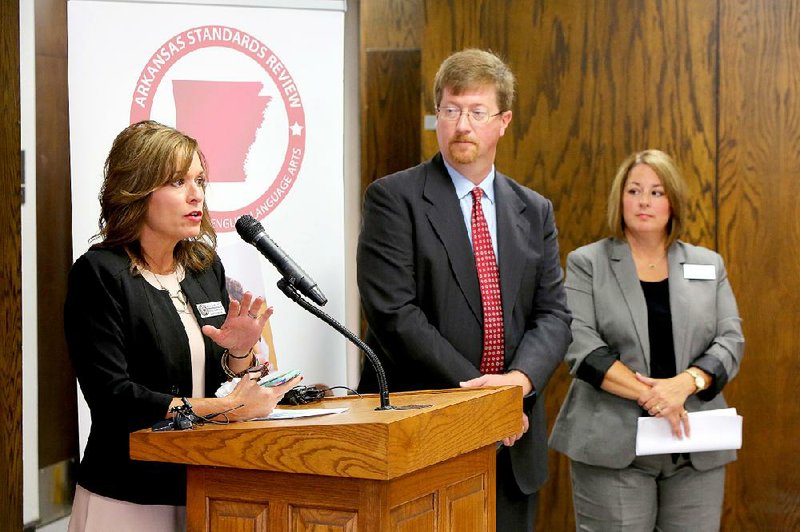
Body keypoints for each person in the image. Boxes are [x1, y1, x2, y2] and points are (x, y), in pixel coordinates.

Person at [357, 49, 572, 531]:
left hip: (514, 440)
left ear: (504, 121)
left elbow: (553, 316)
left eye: (477, 112)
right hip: (424, 435)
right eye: (450, 111)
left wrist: (517, 386)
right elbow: (394, 314)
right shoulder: (395, 199)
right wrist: (486, 404)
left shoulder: (533, 210)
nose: (461, 125)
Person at [65, 120, 301, 532]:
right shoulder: (99, 274)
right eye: (177, 181)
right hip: (130, 492)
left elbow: (220, 377)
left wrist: (240, 352)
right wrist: (227, 411)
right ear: (137, 189)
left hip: (207, 483)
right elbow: (114, 397)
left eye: (200, 181)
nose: (197, 195)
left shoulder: (203, 267)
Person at [549, 149, 745, 531]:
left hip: (694, 446)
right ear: (619, 198)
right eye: (634, 190)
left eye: (657, 192)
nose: (643, 201)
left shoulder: (708, 263)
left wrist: (685, 384)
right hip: (613, 447)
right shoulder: (587, 263)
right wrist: (656, 397)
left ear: (673, 201)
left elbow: (730, 339)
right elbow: (580, 344)